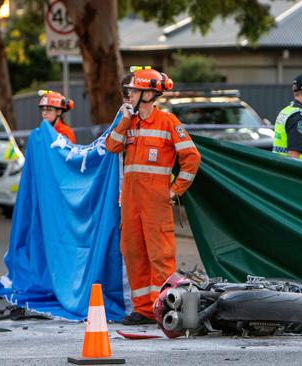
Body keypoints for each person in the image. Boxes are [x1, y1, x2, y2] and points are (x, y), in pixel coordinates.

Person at [106, 67, 201, 325]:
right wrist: (125, 120)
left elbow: (192, 158)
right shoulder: (130, 123)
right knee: (133, 252)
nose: (129, 95)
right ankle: (144, 310)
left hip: (156, 203)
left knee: (160, 257)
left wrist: (174, 190)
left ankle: (165, 308)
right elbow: (111, 146)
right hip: (131, 203)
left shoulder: (168, 123)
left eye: (134, 91)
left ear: (148, 94)